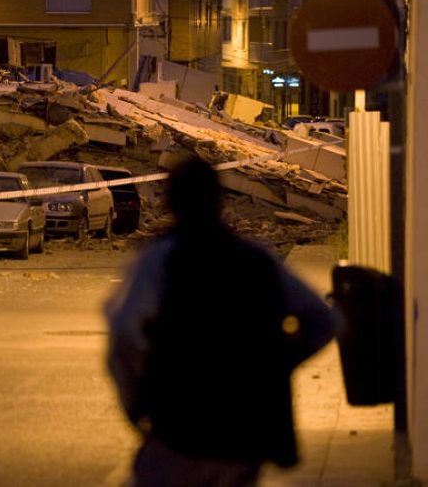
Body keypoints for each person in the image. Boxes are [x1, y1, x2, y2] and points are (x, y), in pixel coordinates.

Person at [104, 155, 338, 487]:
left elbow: (123, 338)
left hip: (180, 426)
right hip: (242, 433)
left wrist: (135, 404)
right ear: (219, 200)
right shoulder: (256, 260)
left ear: (170, 202)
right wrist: (275, 361)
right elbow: (322, 320)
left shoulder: (159, 261)